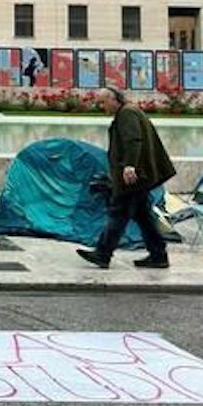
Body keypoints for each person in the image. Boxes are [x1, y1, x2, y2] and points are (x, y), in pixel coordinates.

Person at [77, 86, 177, 269]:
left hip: (134, 176)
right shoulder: (129, 111)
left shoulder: (127, 114)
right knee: (143, 216)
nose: (101, 106)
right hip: (140, 175)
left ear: (114, 99)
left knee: (119, 212)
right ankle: (158, 255)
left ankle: (102, 253)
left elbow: (134, 140)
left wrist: (130, 166)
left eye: (103, 102)